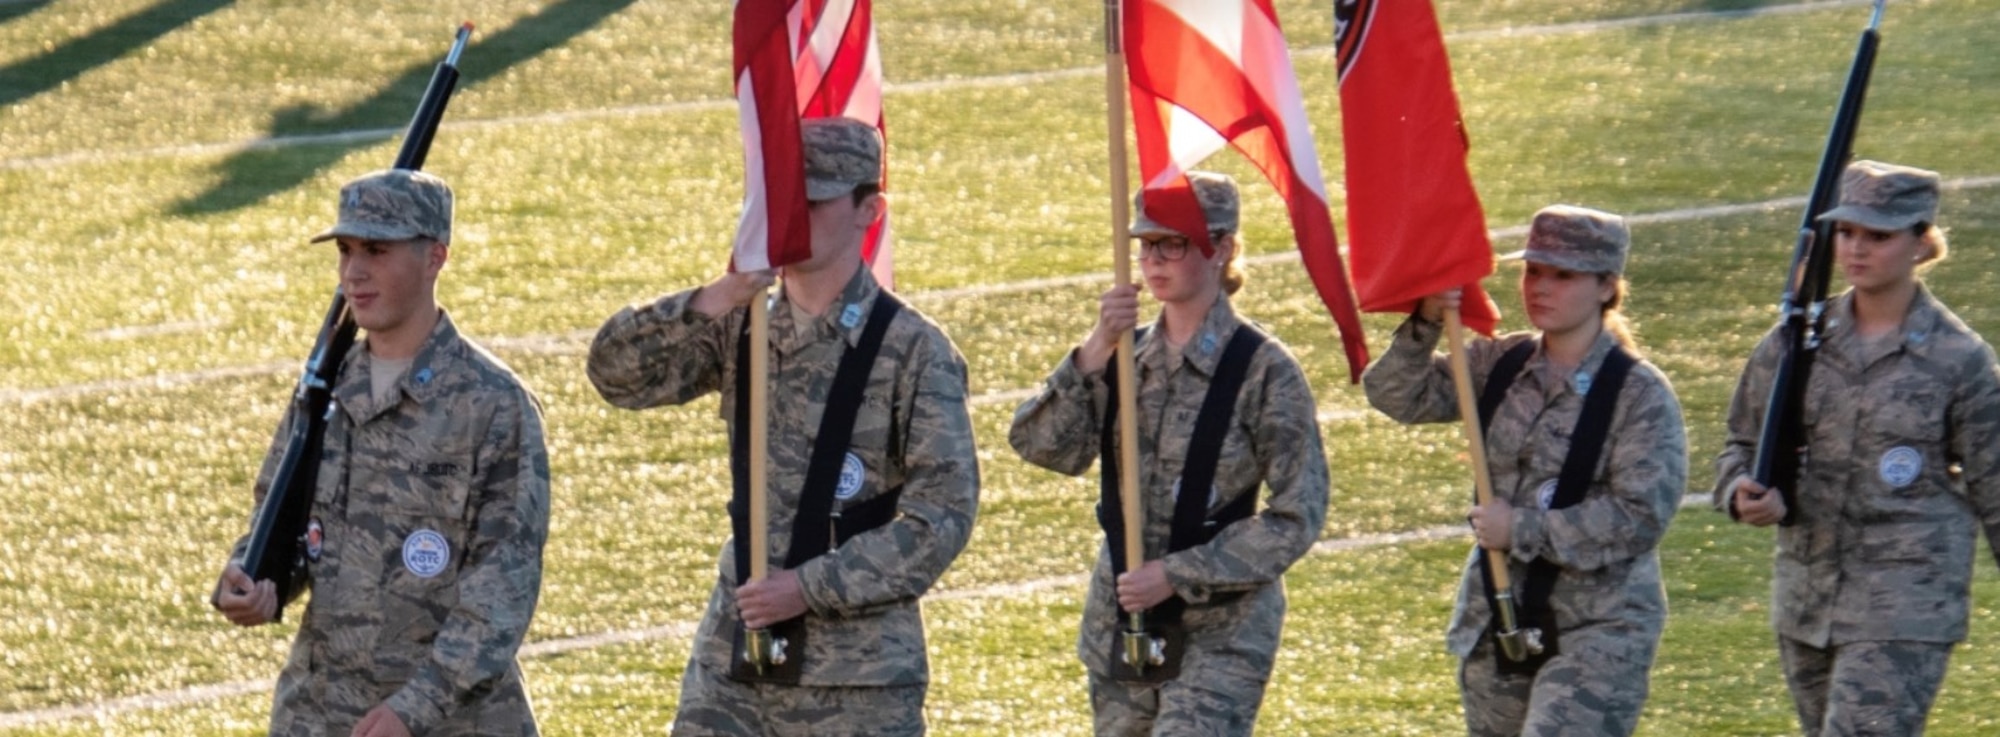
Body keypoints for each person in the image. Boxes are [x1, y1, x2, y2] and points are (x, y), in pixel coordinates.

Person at [586, 117, 979, 736]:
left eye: (813, 203)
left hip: (858, 677)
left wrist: (811, 587)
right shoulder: (743, 324)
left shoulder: (913, 351)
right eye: (781, 202)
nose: (791, 219)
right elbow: (615, 374)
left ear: (867, 210)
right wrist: (719, 294)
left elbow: (943, 517)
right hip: (734, 661)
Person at [212, 169, 552, 737]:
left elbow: (501, 593)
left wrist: (412, 710)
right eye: (345, 250)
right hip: (319, 715)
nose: (354, 272)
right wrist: (253, 581)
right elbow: (281, 515)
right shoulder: (327, 389)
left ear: (434, 257)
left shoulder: (492, 405)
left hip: (452, 722)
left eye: (377, 250)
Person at [1009, 171, 1329, 736]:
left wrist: (1179, 573)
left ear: (1222, 249)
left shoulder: (1264, 370)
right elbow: (1043, 447)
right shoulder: (1122, 354)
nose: (1154, 259)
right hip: (1123, 616)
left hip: (1221, 630)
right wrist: (1094, 349)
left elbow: (1297, 514)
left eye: (1173, 244)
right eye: (1146, 244)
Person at [1362, 205, 1687, 736]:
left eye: (1563, 275)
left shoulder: (1639, 394)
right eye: (1534, 270)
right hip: (1500, 614)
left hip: (1598, 628)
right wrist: (1424, 322)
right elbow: (1396, 395)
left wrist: (1522, 529)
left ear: (1607, 287)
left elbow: (1640, 516)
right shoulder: (1501, 364)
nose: (1541, 286)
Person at [1717, 160, 2000, 736]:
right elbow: (1741, 443)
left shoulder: (1957, 358)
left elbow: (1995, 484)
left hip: (1905, 605)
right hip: (1807, 600)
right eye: (1846, 232)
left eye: (1879, 236)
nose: (1856, 249)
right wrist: (1741, 492)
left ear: (1922, 244)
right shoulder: (1796, 342)